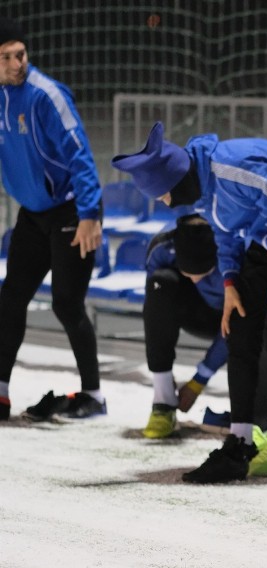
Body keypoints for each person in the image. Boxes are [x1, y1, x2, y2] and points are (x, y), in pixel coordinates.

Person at [112, 121, 267, 483]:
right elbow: (225, 229)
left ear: (175, 184)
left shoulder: (235, 170)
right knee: (239, 326)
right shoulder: (202, 185)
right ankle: (240, 442)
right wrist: (231, 280)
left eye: (162, 196)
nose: (164, 204)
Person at [0, 17, 106, 422]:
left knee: (66, 303)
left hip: (69, 211)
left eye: (20, 54)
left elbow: (80, 154)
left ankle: (93, 395)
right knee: (10, 299)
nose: (16, 63)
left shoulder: (46, 96)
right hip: (33, 215)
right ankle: (1, 393)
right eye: (6, 57)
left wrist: (90, 213)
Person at [139, 214, 267, 439]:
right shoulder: (161, 247)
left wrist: (197, 382)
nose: (195, 280)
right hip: (196, 310)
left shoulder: (242, 253)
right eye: (188, 274)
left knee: (264, 326)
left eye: (202, 274)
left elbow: (242, 320)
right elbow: (154, 310)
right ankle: (163, 401)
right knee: (159, 283)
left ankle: (254, 421)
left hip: (236, 311)